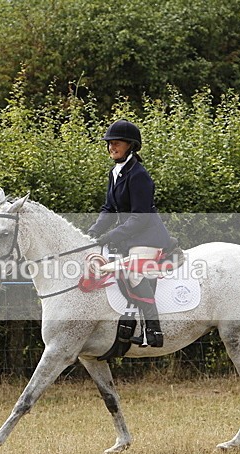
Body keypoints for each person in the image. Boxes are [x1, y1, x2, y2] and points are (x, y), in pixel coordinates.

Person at [87, 119, 171, 348]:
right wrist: (93, 232)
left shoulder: (139, 175)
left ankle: (153, 329)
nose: (111, 147)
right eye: (109, 143)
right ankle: (124, 323)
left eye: (116, 143)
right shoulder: (115, 173)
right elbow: (109, 209)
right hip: (130, 237)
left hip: (148, 236)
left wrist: (111, 235)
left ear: (130, 145)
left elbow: (140, 217)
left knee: (133, 273)